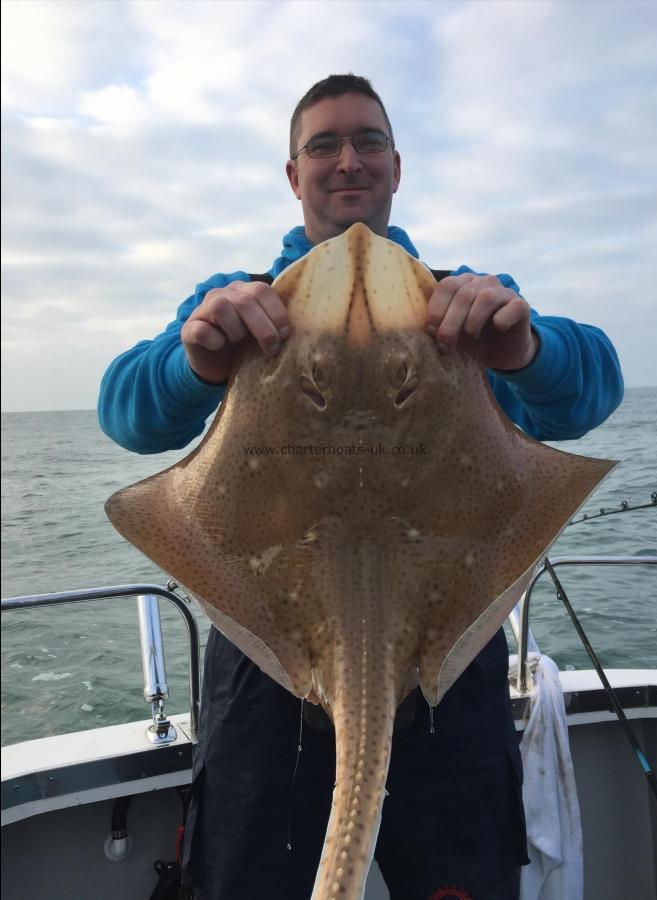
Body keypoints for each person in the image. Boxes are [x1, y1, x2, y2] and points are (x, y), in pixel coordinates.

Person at [98, 74, 623, 900]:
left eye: (367, 142)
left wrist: (524, 349)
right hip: (267, 655)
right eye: (324, 145)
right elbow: (125, 412)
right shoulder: (236, 304)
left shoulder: (464, 296)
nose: (348, 161)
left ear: (396, 165)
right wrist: (195, 360)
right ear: (293, 173)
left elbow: (593, 388)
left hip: (444, 651)